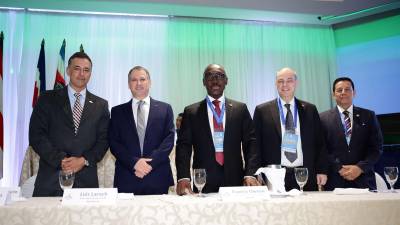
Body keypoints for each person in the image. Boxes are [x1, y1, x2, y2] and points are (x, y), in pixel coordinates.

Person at [29, 52, 110, 196]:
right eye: (77, 68)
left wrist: (83, 160)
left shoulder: (101, 105)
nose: (81, 74)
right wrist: (61, 160)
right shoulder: (47, 99)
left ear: (90, 73)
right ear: (68, 70)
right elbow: (36, 135)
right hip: (50, 181)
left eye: (86, 70)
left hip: (86, 184)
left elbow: (103, 141)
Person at [175, 64, 260, 195]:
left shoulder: (240, 109)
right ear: (203, 82)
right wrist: (183, 177)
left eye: (220, 76)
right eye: (210, 76)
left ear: (226, 81)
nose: (215, 80)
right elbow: (183, 147)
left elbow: (251, 144)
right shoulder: (191, 112)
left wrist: (250, 174)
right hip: (202, 181)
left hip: (235, 180)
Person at [253, 67, 328, 191]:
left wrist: (322, 170)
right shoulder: (262, 111)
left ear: (296, 83)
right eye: (280, 81)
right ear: (276, 84)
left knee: (307, 209)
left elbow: (320, 143)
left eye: (289, 80)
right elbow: (256, 145)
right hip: (274, 175)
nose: (285, 85)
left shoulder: (310, 109)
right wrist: (257, 172)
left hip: (304, 173)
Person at [109, 66, 175, 195]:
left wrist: (149, 164)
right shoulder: (117, 111)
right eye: (134, 80)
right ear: (129, 84)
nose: (138, 83)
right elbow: (114, 143)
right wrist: (134, 163)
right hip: (127, 177)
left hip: (157, 177)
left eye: (142, 79)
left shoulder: (165, 108)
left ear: (149, 82)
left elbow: (168, 141)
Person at [320, 77, 383, 190]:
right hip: (335, 181)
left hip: (364, 180)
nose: (343, 92)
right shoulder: (322, 118)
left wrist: (359, 168)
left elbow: (376, 148)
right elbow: (322, 149)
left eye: (347, 89)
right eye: (339, 90)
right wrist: (339, 168)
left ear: (354, 93)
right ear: (333, 94)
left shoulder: (368, 116)